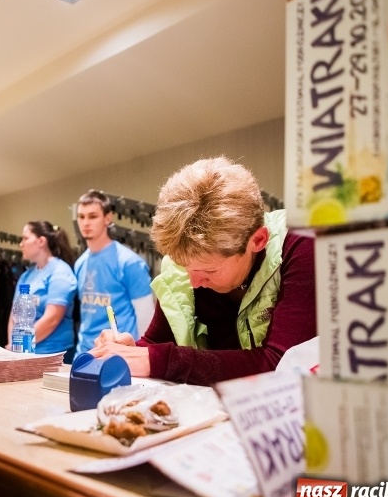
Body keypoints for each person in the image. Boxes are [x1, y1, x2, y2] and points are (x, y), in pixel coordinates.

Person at [90, 156, 317, 385]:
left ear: (257, 240)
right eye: (184, 266)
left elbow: (280, 365)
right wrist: (131, 350)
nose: (194, 282)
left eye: (209, 271)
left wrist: (158, 359)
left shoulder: (303, 244)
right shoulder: (187, 265)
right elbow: (156, 345)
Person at [73, 190, 154, 360]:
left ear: (107, 218)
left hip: (118, 356)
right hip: (85, 354)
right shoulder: (80, 263)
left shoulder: (129, 262)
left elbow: (146, 317)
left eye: (93, 216)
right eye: (81, 216)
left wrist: (140, 357)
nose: (86, 222)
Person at [6, 221, 78, 358]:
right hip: (24, 352)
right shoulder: (26, 276)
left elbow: (51, 319)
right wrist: (13, 345)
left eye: (25, 238)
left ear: (41, 241)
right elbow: (14, 317)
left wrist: (20, 345)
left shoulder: (60, 272)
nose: (21, 244)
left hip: (53, 354)